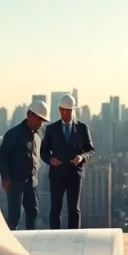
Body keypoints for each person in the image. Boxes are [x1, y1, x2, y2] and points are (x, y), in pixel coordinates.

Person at [39, 94, 95, 229]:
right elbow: (43, 152)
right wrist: (50, 159)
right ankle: (55, 237)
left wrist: (82, 158)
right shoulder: (51, 129)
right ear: (59, 109)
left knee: (74, 209)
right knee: (55, 209)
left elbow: (91, 150)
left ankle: (75, 237)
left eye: (68, 110)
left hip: (75, 175)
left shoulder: (82, 128)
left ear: (73, 110)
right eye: (62, 110)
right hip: (57, 175)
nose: (65, 113)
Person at [0, 100, 50, 230]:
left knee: (33, 211)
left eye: (43, 120)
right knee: (15, 214)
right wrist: (5, 178)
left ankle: (30, 236)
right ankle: (10, 239)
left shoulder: (38, 134)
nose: (41, 123)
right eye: (39, 119)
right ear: (30, 115)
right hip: (15, 180)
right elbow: (2, 155)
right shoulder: (14, 134)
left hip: (31, 180)